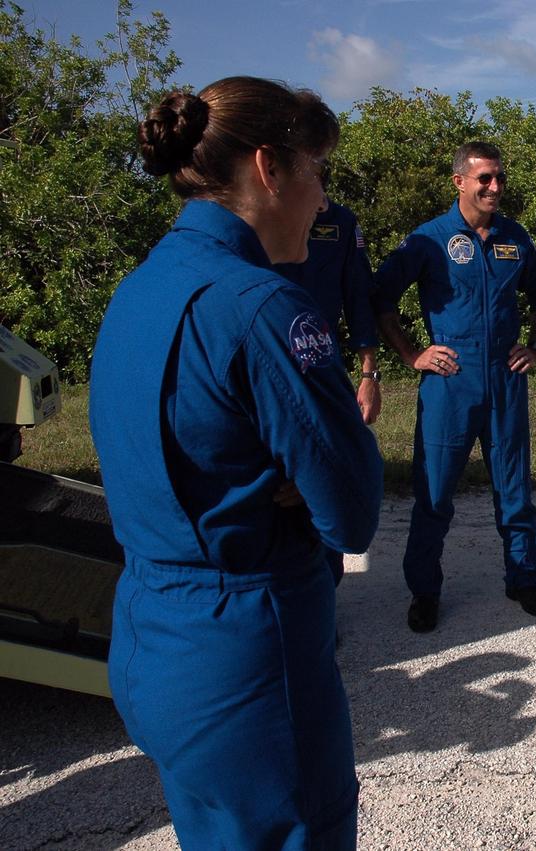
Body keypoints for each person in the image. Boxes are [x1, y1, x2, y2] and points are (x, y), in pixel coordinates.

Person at [89, 77, 383, 849]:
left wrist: (264, 477)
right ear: (268, 167)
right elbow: (351, 509)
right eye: (317, 171)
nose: (322, 200)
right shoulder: (263, 307)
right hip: (248, 663)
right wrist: (286, 482)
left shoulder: (138, 288)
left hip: (155, 643)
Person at [374, 141, 536, 634]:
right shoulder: (429, 239)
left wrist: (535, 346)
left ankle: (523, 579)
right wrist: (413, 355)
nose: (495, 186)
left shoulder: (513, 239)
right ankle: (425, 592)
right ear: (460, 181)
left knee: (514, 488)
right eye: (485, 179)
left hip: (504, 378)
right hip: (450, 382)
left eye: (499, 177)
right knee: (434, 494)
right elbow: (380, 297)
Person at [276, 199, 382, 584]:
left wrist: (370, 375)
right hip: (269, 365)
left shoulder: (341, 222)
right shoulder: (259, 215)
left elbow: (358, 299)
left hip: (321, 369)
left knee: (324, 474)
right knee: (278, 487)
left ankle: (326, 592)